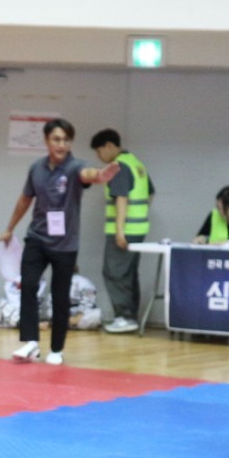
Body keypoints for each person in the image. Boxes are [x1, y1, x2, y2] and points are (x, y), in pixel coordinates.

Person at [0, 117, 119, 365]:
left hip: (65, 244)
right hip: (37, 237)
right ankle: (31, 342)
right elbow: (25, 199)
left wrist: (101, 175)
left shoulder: (76, 167)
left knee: (60, 295)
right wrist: (10, 228)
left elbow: (89, 175)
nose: (61, 144)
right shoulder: (36, 168)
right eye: (56, 139)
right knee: (28, 285)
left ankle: (56, 349)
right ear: (47, 141)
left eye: (66, 140)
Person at [89, 129, 153, 334]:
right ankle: (130, 316)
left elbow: (121, 198)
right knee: (128, 273)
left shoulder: (118, 166)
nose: (99, 156)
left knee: (114, 272)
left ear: (109, 146)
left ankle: (124, 317)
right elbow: (150, 194)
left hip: (124, 231)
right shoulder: (136, 164)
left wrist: (119, 231)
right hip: (138, 228)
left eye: (99, 150)